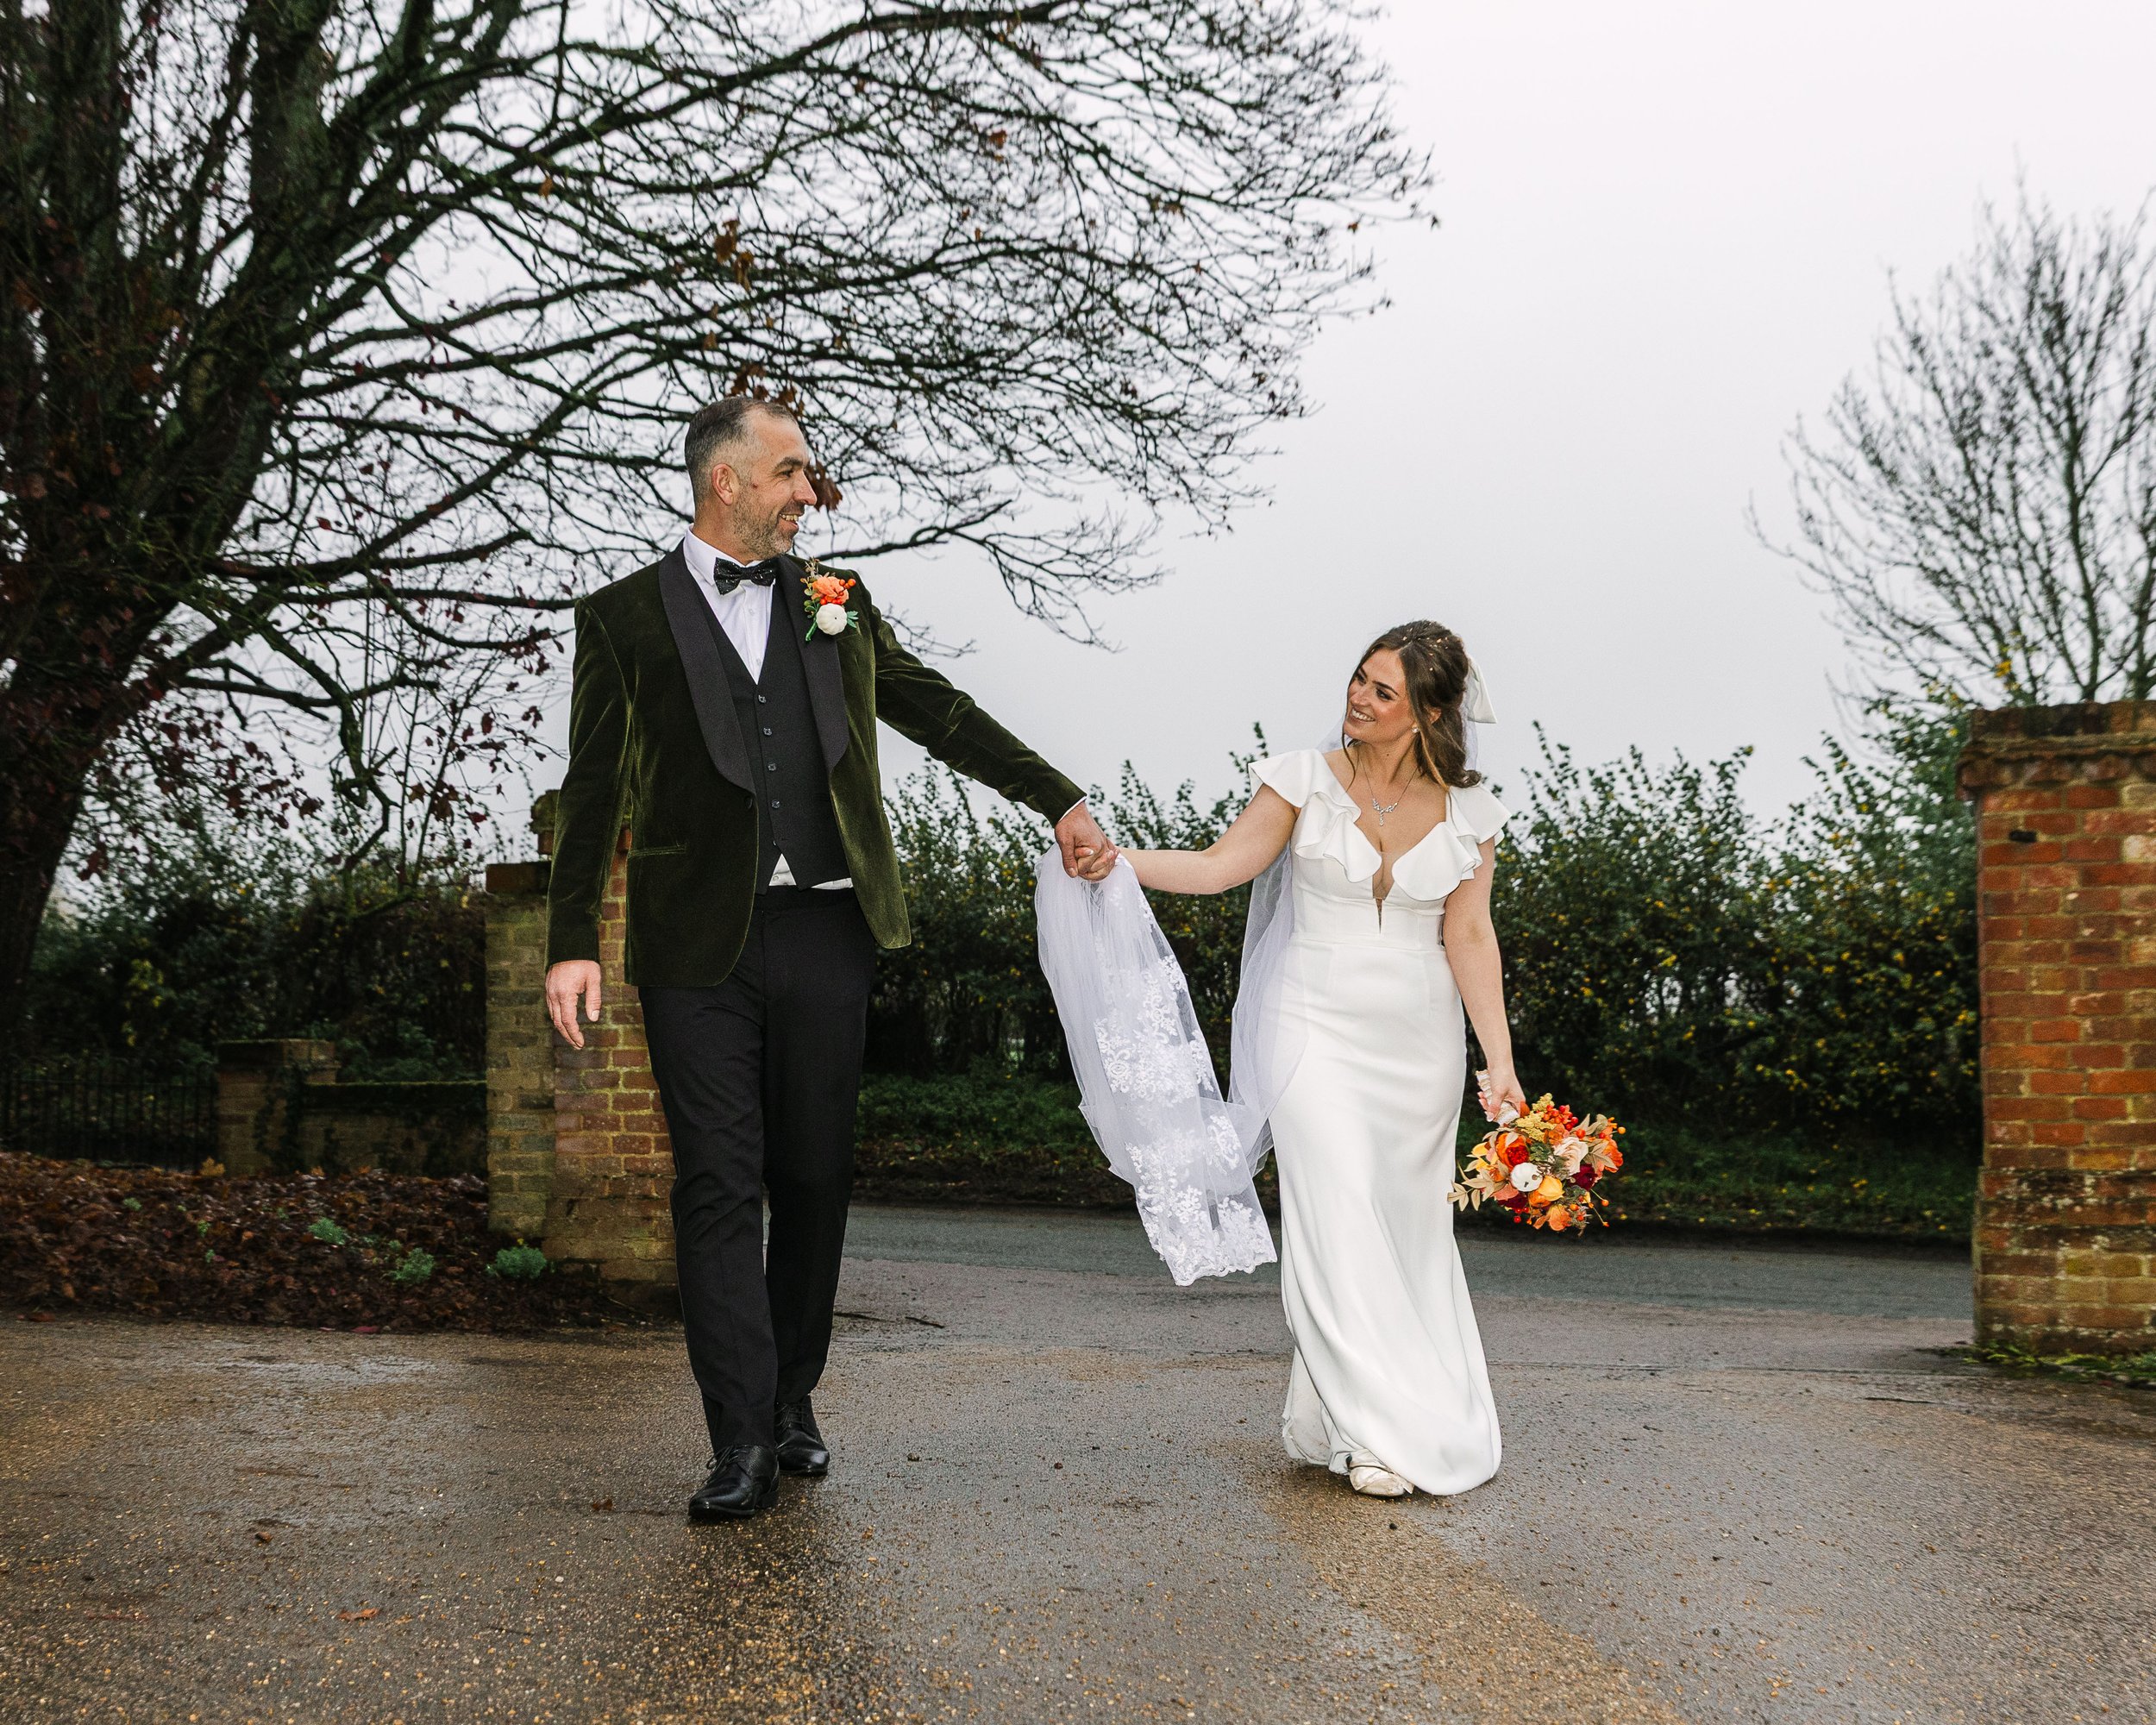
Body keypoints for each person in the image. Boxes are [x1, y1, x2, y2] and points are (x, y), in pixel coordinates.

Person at [543, 398, 1117, 1522]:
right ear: (728, 483)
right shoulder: (621, 620)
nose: (812, 492)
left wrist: (1056, 797)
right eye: (793, 473)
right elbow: (594, 787)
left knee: (811, 1177)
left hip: (826, 927)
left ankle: (792, 1393)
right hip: (693, 943)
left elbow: (935, 712)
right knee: (716, 1184)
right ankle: (738, 1437)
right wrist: (572, 945)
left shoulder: (835, 604)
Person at [1119, 622, 1520, 1498]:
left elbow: (1470, 932)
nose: (1358, 698)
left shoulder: (1472, 809)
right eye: (1358, 678)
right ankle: (1379, 1430)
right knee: (1334, 1213)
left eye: (1384, 692)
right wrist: (1119, 863)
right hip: (1309, 1025)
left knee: (1404, 1233)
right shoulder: (1301, 777)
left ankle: (1336, 1414)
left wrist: (1501, 1062)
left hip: (1417, 1045)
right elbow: (1223, 865)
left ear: (1430, 711)